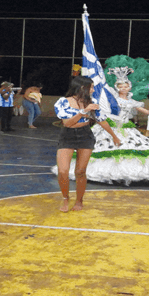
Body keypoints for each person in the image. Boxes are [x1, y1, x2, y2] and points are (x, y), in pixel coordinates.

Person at [60, 74, 149, 185]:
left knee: (132, 148)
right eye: (121, 87)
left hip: (127, 127)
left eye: (125, 86)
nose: (123, 88)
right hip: (112, 126)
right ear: (117, 88)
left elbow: (144, 111)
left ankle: (130, 171)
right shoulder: (113, 100)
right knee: (107, 148)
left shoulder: (132, 101)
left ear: (129, 87)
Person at [54, 76, 122, 212]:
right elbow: (67, 123)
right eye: (90, 87)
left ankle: (79, 201)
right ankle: (65, 198)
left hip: (85, 135)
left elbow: (101, 120)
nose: (92, 90)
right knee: (62, 171)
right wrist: (84, 111)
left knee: (80, 171)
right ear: (82, 88)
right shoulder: (63, 102)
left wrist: (114, 136)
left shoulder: (92, 102)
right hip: (67, 136)